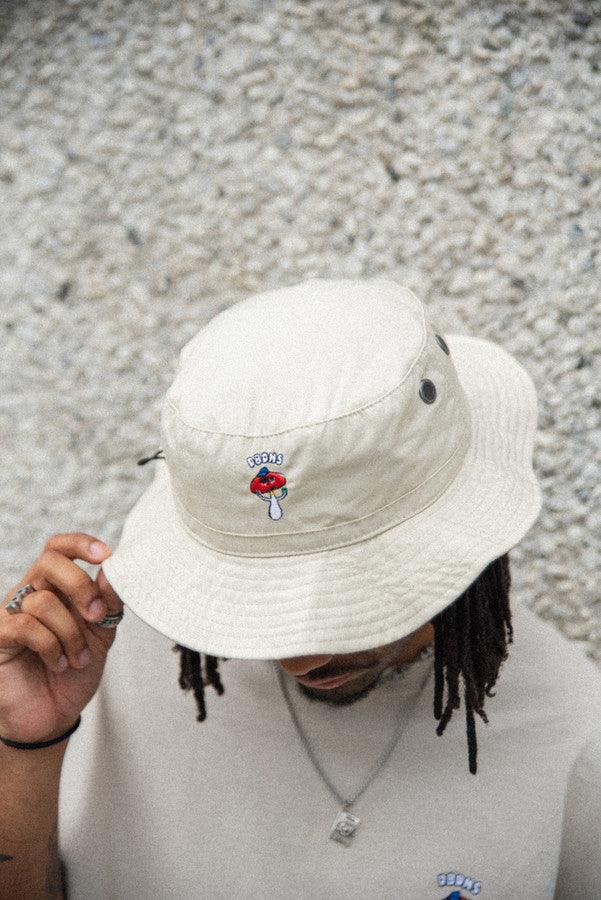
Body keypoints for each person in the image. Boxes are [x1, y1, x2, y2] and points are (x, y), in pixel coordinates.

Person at [1, 277, 600, 900]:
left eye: (353, 606)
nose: (299, 657)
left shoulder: (573, 734)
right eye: (253, 602)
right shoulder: (97, 667)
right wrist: (26, 739)